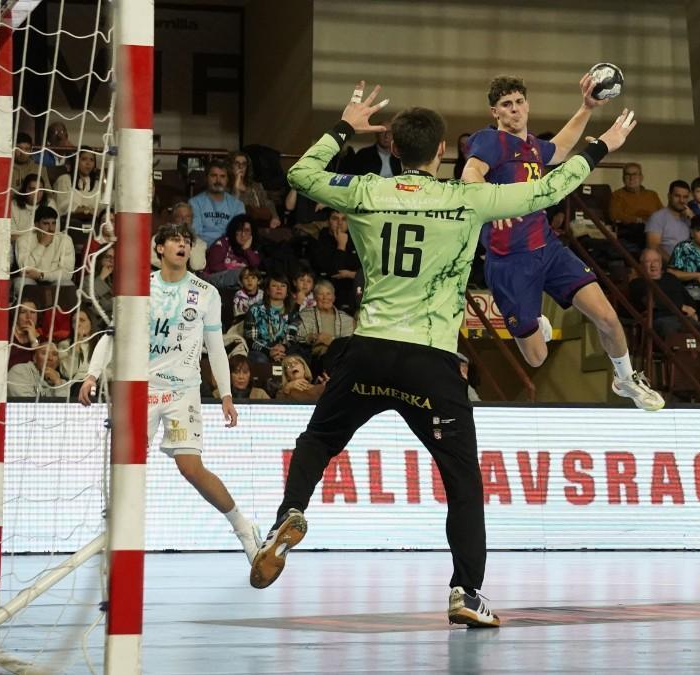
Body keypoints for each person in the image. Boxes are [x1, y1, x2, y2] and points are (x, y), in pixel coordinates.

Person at [251, 81, 639, 630]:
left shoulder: (367, 191)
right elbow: (547, 192)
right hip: (429, 361)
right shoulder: (466, 199)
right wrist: (600, 147)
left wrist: (343, 125)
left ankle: (288, 513)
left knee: (318, 440)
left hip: (367, 351)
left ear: (395, 149)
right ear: (440, 154)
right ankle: (466, 591)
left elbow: (300, 176)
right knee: (461, 481)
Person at [461, 73, 662, 411]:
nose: (514, 110)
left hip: (549, 249)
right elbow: (471, 173)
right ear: (495, 112)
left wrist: (586, 107)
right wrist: (491, 201)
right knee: (537, 358)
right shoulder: (489, 141)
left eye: (519, 102)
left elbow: (562, 146)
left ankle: (626, 379)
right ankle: (538, 324)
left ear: (527, 104)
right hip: (509, 263)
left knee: (608, 317)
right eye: (506, 105)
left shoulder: (533, 147)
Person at [80, 222, 261, 564]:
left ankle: (243, 527)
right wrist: (91, 375)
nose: (182, 245)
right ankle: (118, 539)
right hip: (141, 392)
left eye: (187, 241)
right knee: (125, 465)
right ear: (159, 248)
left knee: (190, 468)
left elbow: (216, 348)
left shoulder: (205, 293)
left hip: (182, 393)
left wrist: (226, 395)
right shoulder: (139, 288)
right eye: (175, 240)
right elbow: (110, 334)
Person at [629, 247, 700, 338]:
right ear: (641, 265)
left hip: (683, 318)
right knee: (672, 329)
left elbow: (688, 299)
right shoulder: (637, 283)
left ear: (660, 263)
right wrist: (680, 307)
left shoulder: (671, 278)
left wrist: (695, 312)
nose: (653, 265)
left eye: (656, 261)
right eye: (648, 261)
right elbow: (653, 303)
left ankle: (697, 352)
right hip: (661, 319)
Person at [244, 272, 303, 365]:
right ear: (267, 290)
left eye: (283, 286)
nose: (279, 288)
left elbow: (292, 336)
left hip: (284, 349)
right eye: (274, 285)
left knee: (298, 357)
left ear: (287, 292)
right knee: (259, 359)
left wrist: (284, 347)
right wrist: (269, 351)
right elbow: (251, 340)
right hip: (262, 351)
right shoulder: (254, 310)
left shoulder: (292, 312)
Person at [14, 205, 75, 294]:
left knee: (67, 284)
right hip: (32, 281)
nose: (51, 229)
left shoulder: (65, 240)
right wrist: (42, 245)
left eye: (53, 223)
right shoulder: (23, 240)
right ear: (36, 225)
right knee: (22, 283)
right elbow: (25, 270)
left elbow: (67, 274)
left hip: (54, 281)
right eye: (46, 224)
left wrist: (41, 275)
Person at [190, 160, 247, 246]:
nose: (218, 180)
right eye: (213, 176)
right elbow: (195, 234)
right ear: (206, 178)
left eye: (222, 176)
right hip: (203, 249)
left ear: (227, 180)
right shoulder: (194, 203)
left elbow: (239, 234)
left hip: (229, 249)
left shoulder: (238, 205)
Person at [204, 215, 261, 290]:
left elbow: (255, 265)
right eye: (239, 230)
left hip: (240, 279)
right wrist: (235, 270)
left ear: (252, 233)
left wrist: (247, 249)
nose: (243, 235)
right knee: (242, 274)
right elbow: (214, 267)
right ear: (234, 231)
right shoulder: (222, 243)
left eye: (247, 231)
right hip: (215, 277)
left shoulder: (251, 246)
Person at [228, 150, 281, 228]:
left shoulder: (255, 186)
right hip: (235, 225)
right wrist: (236, 186)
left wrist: (275, 217)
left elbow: (268, 203)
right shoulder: (225, 186)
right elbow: (229, 209)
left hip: (257, 224)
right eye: (237, 163)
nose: (241, 167)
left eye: (244, 164)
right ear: (231, 166)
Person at [52, 147, 103, 220]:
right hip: (68, 221)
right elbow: (63, 206)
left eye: (92, 160)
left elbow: (99, 208)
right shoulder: (64, 179)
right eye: (84, 159)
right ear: (76, 161)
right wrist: (86, 210)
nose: (88, 163)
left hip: (91, 222)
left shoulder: (96, 184)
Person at [646, 180, 693, 259]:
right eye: (677, 196)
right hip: (668, 266)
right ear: (669, 196)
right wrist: (673, 265)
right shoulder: (657, 217)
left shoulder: (689, 217)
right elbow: (653, 246)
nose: (681, 200)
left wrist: (693, 218)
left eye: (685, 197)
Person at [6, 342, 71, 398]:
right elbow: (27, 406)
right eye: (44, 353)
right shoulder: (19, 371)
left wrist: (58, 383)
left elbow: (63, 410)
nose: (50, 358)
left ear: (58, 362)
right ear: (34, 358)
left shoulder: (62, 383)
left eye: (54, 354)